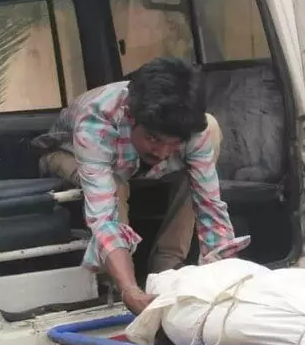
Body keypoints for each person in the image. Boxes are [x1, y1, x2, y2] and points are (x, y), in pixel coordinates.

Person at [34, 57, 250, 315]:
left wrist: (226, 279)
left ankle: (167, 269)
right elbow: (104, 217)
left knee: (210, 131)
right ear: (130, 117)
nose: (162, 152)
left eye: (174, 144)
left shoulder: (190, 125)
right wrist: (130, 291)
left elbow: (209, 205)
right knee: (115, 187)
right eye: (153, 139)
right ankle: (114, 282)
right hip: (66, 154)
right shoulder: (96, 121)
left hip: (131, 164)